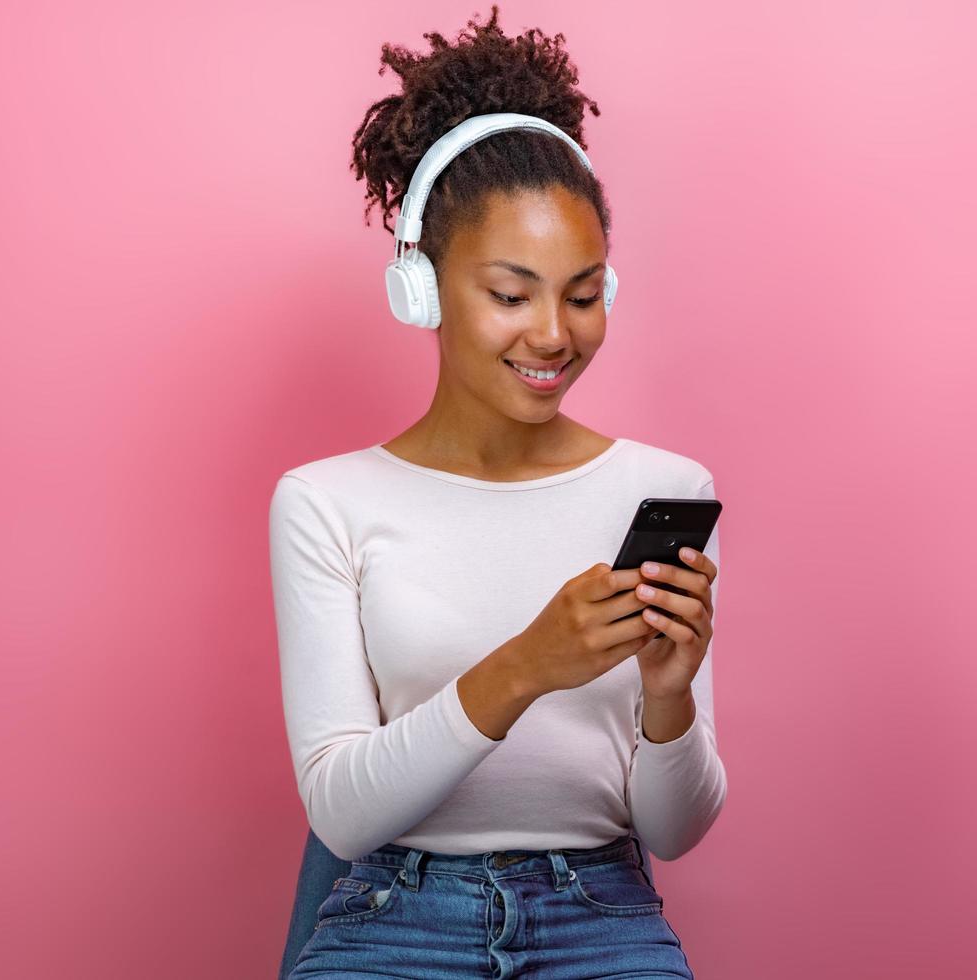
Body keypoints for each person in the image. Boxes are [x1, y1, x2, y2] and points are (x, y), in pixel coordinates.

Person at [269, 9, 727, 977]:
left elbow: (674, 830)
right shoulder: (324, 501)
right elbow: (342, 812)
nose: (554, 333)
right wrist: (526, 664)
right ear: (422, 291)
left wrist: (669, 696)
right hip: (396, 909)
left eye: (583, 291)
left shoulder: (664, 489)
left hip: (599, 910)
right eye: (511, 295)